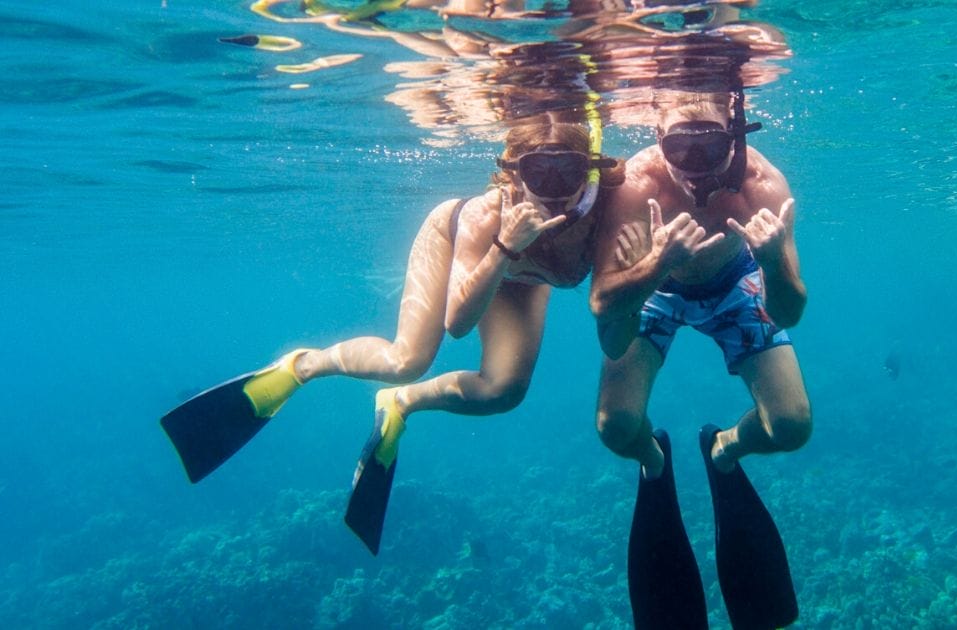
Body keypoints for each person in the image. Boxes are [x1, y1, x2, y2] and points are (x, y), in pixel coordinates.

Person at [161, 111, 623, 554]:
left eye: (570, 172)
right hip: (473, 252)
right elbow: (457, 325)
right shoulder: (487, 217)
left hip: (522, 279)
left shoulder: (608, 208)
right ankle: (303, 366)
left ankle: (401, 403)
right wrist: (504, 247)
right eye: (539, 173)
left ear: (592, 171)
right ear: (513, 175)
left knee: (503, 392)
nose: (556, 191)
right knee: (407, 361)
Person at [588, 89, 811, 629]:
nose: (692, 167)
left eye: (708, 147)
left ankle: (725, 448)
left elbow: (791, 310)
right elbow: (604, 312)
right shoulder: (634, 187)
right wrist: (657, 262)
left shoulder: (762, 186)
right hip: (656, 286)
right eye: (677, 148)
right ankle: (653, 459)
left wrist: (773, 263)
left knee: (791, 425)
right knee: (616, 427)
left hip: (736, 282)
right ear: (656, 137)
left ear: (735, 134)